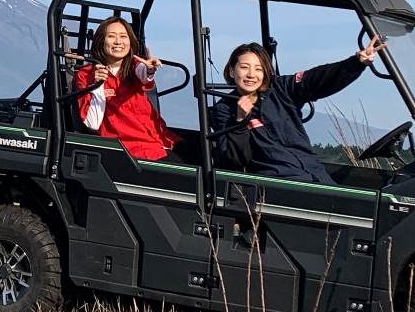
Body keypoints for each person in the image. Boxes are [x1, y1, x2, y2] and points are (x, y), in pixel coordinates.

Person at [211, 36, 383, 187]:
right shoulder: (225, 109)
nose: (251, 75)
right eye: (244, 68)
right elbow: (233, 161)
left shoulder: (280, 89)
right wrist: (240, 121)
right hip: (279, 184)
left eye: (258, 69)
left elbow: (315, 79)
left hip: (316, 176)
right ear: (232, 71)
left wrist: (356, 63)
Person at [73, 17, 190, 162]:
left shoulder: (135, 65)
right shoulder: (86, 75)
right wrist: (98, 85)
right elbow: (93, 123)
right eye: (111, 36)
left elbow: (143, 74)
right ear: (101, 41)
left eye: (123, 36)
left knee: (202, 163)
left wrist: (150, 70)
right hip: (131, 147)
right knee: (186, 171)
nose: (118, 41)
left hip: (160, 136)